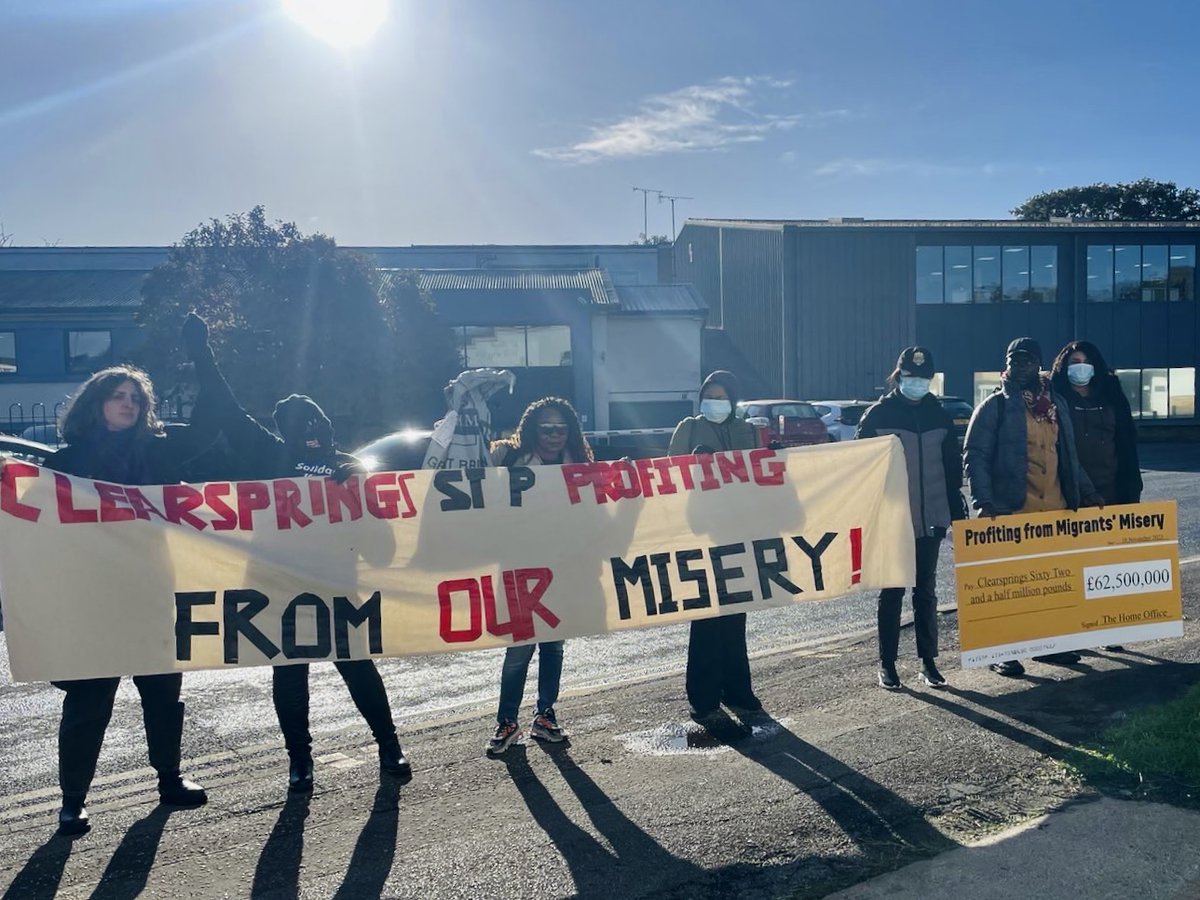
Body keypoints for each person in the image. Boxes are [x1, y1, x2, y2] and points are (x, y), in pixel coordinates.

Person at [182, 314, 411, 793]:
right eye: (299, 424)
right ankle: (300, 762)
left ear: (327, 427)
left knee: (357, 668)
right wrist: (201, 352)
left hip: (336, 584)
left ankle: (389, 745)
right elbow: (225, 407)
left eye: (317, 422)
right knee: (289, 675)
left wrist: (359, 493)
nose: (310, 429)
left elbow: (382, 543)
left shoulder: (349, 466)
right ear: (282, 430)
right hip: (279, 585)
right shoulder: (266, 456)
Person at [44, 366, 213, 836]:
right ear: (95, 403)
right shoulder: (64, 464)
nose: (127, 405)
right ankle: (72, 800)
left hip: (151, 593)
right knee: (88, 702)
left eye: (135, 399)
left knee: (163, 696)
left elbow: (227, 454)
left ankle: (170, 781)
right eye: (118, 396)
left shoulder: (159, 458)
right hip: (91, 602)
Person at [964, 337, 1104, 677]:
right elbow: (975, 456)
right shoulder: (993, 407)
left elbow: (1068, 455)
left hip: (1054, 509)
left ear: (1038, 365)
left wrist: (1087, 492)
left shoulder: (1056, 406)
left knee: (1051, 583)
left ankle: (1049, 648)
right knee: (1008, 587)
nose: (1020, 366)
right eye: (1015, 360)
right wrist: (983, 501)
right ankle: (1002, 651)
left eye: (1027, 360)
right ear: (1007, 365)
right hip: (1014, 510)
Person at [485, 397, 593, 755]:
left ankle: (545, 716)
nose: (554, 435)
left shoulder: (579, 464)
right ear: (532, 429)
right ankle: (507, 722)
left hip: (561, 566)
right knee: (518, 650)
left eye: (561, 429)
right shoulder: (506, 457)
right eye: (546, 429)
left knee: (554, 647)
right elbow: (467, 475)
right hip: (518, 567)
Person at [856, 347, 966, 690]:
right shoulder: (878, 415)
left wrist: (955, 512)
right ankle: (887, 665)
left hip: (931, 519)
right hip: (892, 520)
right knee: (892, 593)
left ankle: (927, 662)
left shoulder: (940, 415)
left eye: (923, 379)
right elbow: (860, 471)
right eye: (910, 378)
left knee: (926, 592)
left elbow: (952, 470)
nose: (916, 384)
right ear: (898, 376)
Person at [667, 370, 762, 719]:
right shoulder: (689, 428)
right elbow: (669, 477)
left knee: (736, 614)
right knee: (707, 614)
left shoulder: (746, 430)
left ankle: (738, 689)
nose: (715, 403)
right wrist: (693, 461)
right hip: (702, 531)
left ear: (733, 402)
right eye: (710, 395)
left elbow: (757, 476)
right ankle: (704, 694)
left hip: (738, 531)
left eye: (722, 397)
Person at [1050, 340, 1142, 653]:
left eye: (1086, 360)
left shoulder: (1111, 393)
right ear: (1064, 365)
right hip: (1071, 495)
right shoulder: (1055, 394)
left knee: (1106, 567)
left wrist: (1133, 488)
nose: (1081, 366)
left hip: (1112, 491)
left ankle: (1106, 628)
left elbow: (1127, 441)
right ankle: (1071, 631)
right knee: (1071, 566)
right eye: (1074, 360)